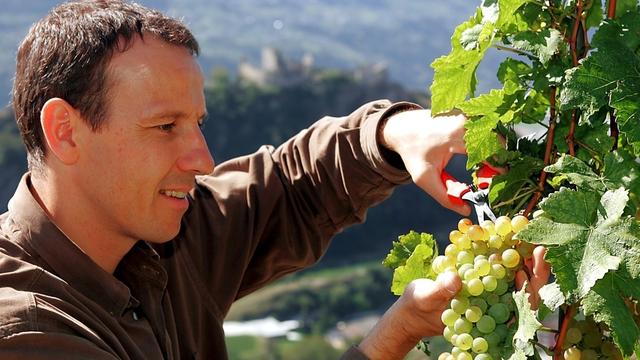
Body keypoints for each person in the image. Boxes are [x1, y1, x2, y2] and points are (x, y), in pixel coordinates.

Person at [0, 1, 549, 359]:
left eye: (198, 124)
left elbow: (289, 186)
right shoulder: (27, 334)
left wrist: (393, 132)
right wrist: (393, 334)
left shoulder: (156, 232)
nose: (202, 159)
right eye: (165, 126)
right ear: (64, 131)